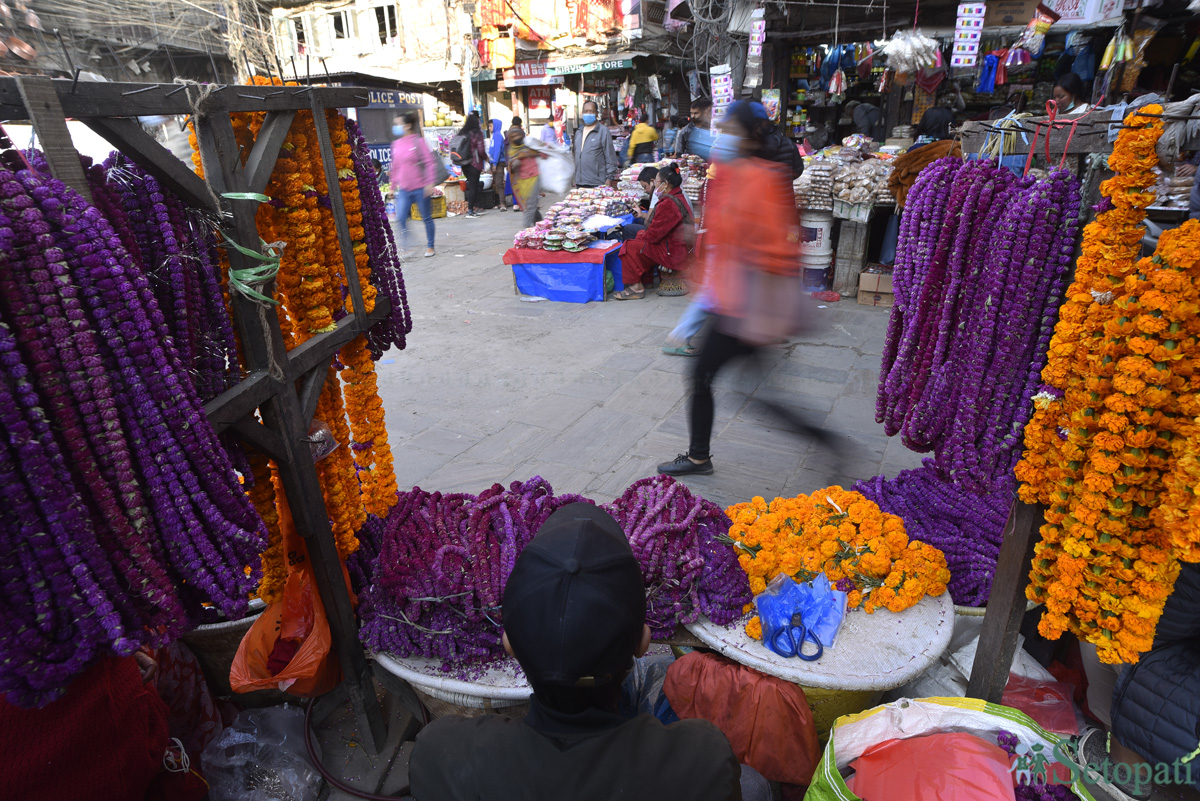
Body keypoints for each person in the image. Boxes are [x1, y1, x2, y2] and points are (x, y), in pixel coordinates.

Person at [408, 503, 760, 801]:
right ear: (642, 642)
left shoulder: (441, 756)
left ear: (509, 645)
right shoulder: (702, 763)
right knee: (756, 784)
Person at [657, 100, 840, 477]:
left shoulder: (764, 177)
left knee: (705, 377)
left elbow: (779, 243)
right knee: (756, 390)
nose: (725, 138)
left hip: (746, 304)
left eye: (733, 131)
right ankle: (823, 441)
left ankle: (698, 457)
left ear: (751, 134)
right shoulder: (734, 172)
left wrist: (765, 308)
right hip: (732, 297)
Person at [613, 163, 693, 300]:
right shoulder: (678, 195)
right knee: (638, 236)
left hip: (672, 253)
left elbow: (653, 235)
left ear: (665, 184)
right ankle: (646, 281)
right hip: (675, 247)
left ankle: (636, 288)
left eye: (656, 183)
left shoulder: (669, 203)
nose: (655, 186)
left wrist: (643, 235)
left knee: (629, 246)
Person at [390, 111, 438, 258]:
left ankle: (430, 246)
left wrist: (430, 183)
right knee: (401, 218)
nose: (396, 127)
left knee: (426, 218)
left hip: (421, 187)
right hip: (404, 189)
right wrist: (392, 186)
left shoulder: (418, 142)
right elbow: (396, 166)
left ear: (408, 125)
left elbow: (430, 162)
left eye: (398, 124)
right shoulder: (396, 144)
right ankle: (407, 247)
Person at [507, 125, 548, 229]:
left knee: (529, 208)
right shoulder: (511, 150)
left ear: (522, 135)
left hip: (534, 179)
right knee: (532, 207)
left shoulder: (530, 145)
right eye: (513, 137)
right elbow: (511, 165)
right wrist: (515, 163)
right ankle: (541, 227)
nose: (516, 138)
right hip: (521, 183)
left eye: (517, 135)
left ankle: (525, 233)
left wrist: (543, 149)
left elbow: (543, 152)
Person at [573, 100, 619, 188]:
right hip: (580, 183)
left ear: (597, 114)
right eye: (586, 111)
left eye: (592, 111)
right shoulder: (579, 132)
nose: (588, 113)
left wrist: (609, 178)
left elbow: (610, 157)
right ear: (582, 113)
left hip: (597, 183)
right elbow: (576, 155)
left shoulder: (603, 131)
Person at [456, 112, 489, 218]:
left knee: (472, 186)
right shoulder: (476, 133)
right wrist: (486, 158)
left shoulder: (463, 132)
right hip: (474, 163)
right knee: (474, 187)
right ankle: (470, 210)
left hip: (464, 163)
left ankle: (473, 208)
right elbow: (480, 150)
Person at [488, 117, 511, 213]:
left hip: (498, 163)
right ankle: (500, 202)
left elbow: (497, 151)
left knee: (499, 183)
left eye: (490, 126)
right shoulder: (494, 136)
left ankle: (503, 203)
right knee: (497, 183)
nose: (489, 128)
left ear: (495, 126)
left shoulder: (497, 136)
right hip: (495, 162)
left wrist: (494, 164)